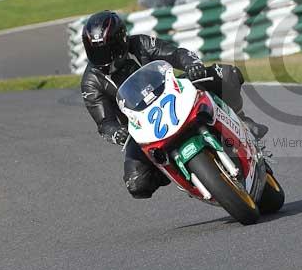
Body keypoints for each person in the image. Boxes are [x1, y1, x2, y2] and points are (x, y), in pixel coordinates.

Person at [80, 10, 268, 199]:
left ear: (120, 40)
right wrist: (116, 132)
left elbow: (176, 54)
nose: (102, 58)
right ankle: (175, 170)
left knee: (226, 74)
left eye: (106, 50)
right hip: (141, 127)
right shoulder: (91, 82)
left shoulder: (140, 44)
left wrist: (191, 65)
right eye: (95, 51)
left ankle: (241, 120)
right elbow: (104, 122)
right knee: (137, 183)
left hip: (173, 95)